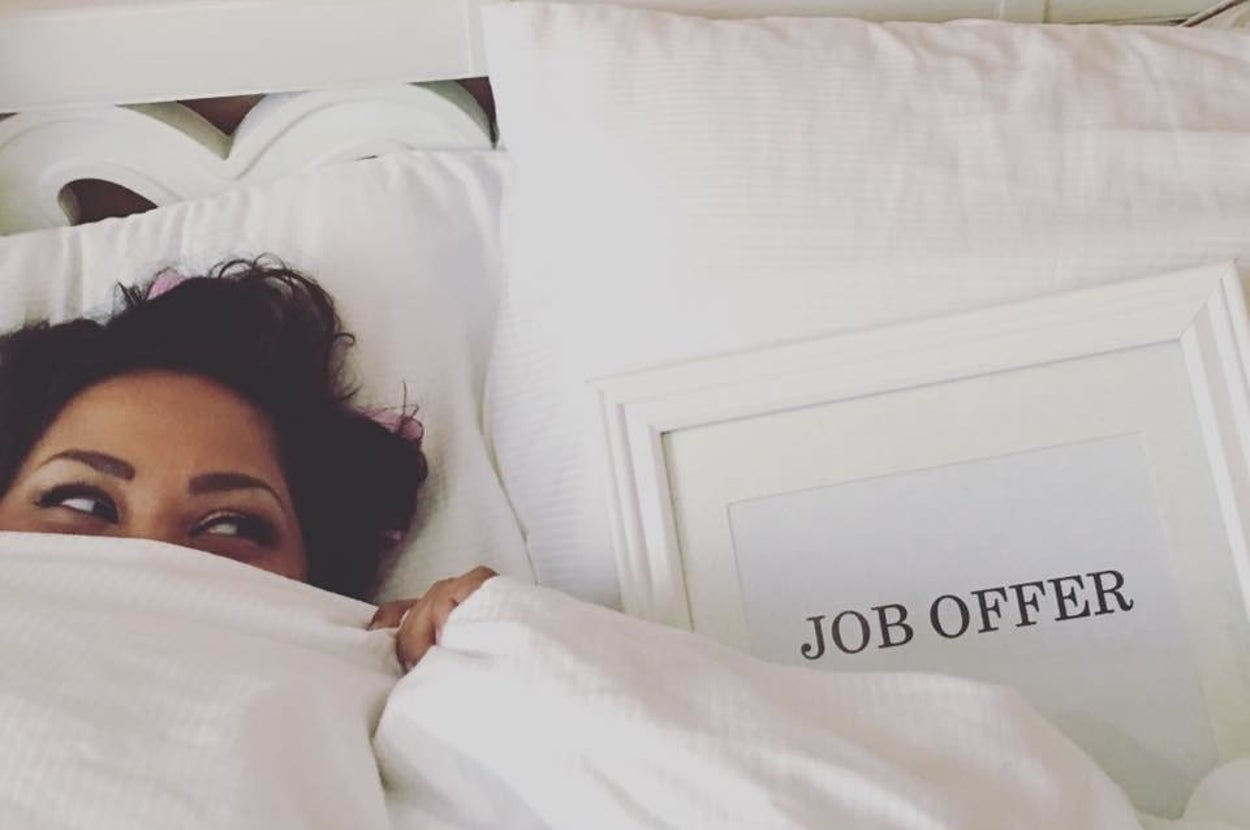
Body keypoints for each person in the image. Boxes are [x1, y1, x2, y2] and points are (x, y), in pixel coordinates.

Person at [0, 258, 491, 670]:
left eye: (230, 526)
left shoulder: (374, 698)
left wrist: (489, 645)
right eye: (83, 502)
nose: (151, 557)